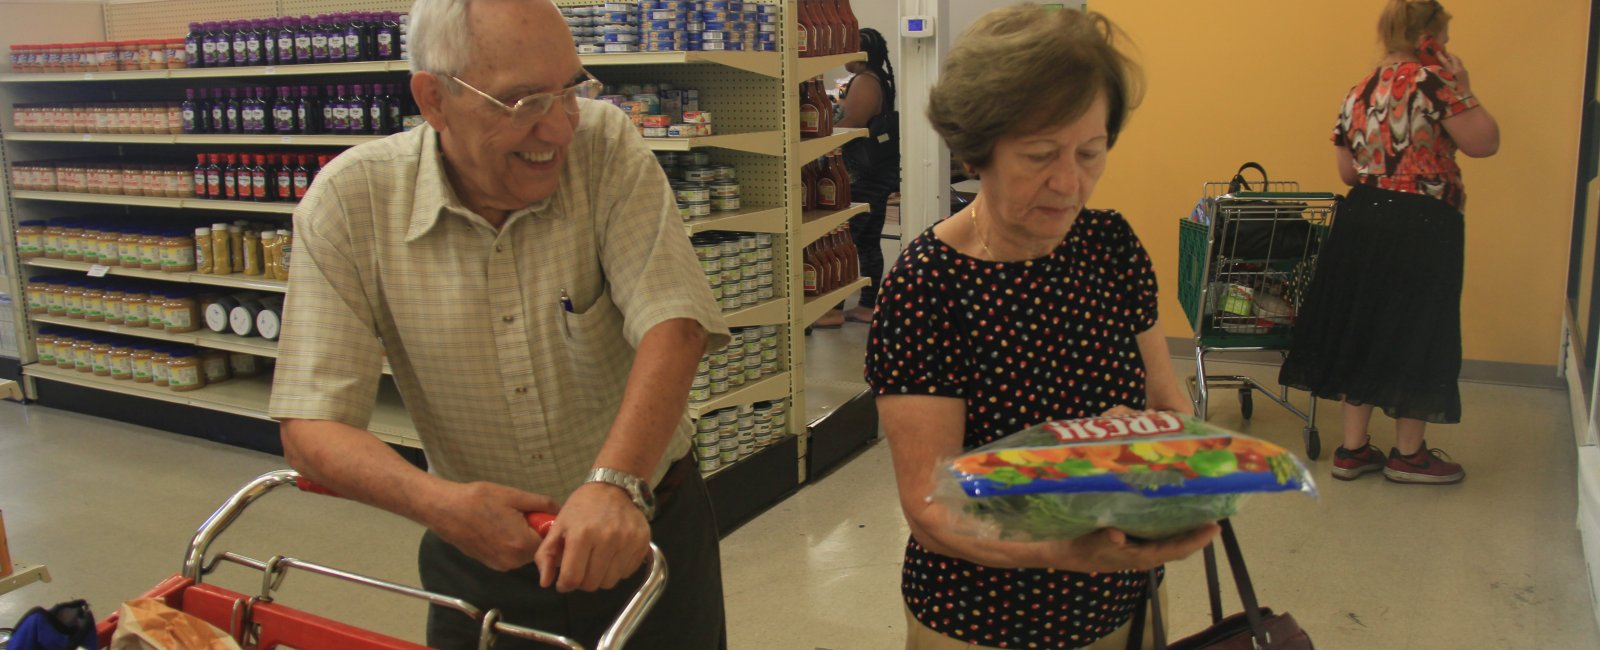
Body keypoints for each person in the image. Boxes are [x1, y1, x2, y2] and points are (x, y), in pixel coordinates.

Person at [266, 0, 730, 648]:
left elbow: (675, 322)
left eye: (569, 90)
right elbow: (311, 426)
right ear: (434, 100)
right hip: (479, 557)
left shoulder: (604, 146)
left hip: (642, 529)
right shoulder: (350, 205)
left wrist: (614, 483)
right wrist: (437, 504)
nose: (561, 128)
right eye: (523, 103)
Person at [865, 6, 1219, 649]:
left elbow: (1171, 405)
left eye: (1091, 152)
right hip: (980, 623)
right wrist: (1068, 539)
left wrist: (1159, 443)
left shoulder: (1110, 247)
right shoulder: (928, 286)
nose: (1069, 182)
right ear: (980, 150)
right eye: (1040, 155)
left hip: (1122, 605)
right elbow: (933, 508)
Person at [1279, 0, 1499, 485]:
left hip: (1362, 218)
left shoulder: (1358, 92)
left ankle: (1353, 449)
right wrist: (1463, 87)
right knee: (1417, 327)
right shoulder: (1435, 83)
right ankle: (1408, 454)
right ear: (1430, 36)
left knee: (1363, 321)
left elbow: (1346, 171)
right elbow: (1484, 141)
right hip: (1422, 223)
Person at [816, 28, 900, 328]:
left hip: (861, 174)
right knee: (866, 240)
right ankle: (867, 305)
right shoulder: (879, 78)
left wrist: (826, 123)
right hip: (877, 172)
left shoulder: (865, 81)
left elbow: (853, 123)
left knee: (843, 241)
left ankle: (833, 309)